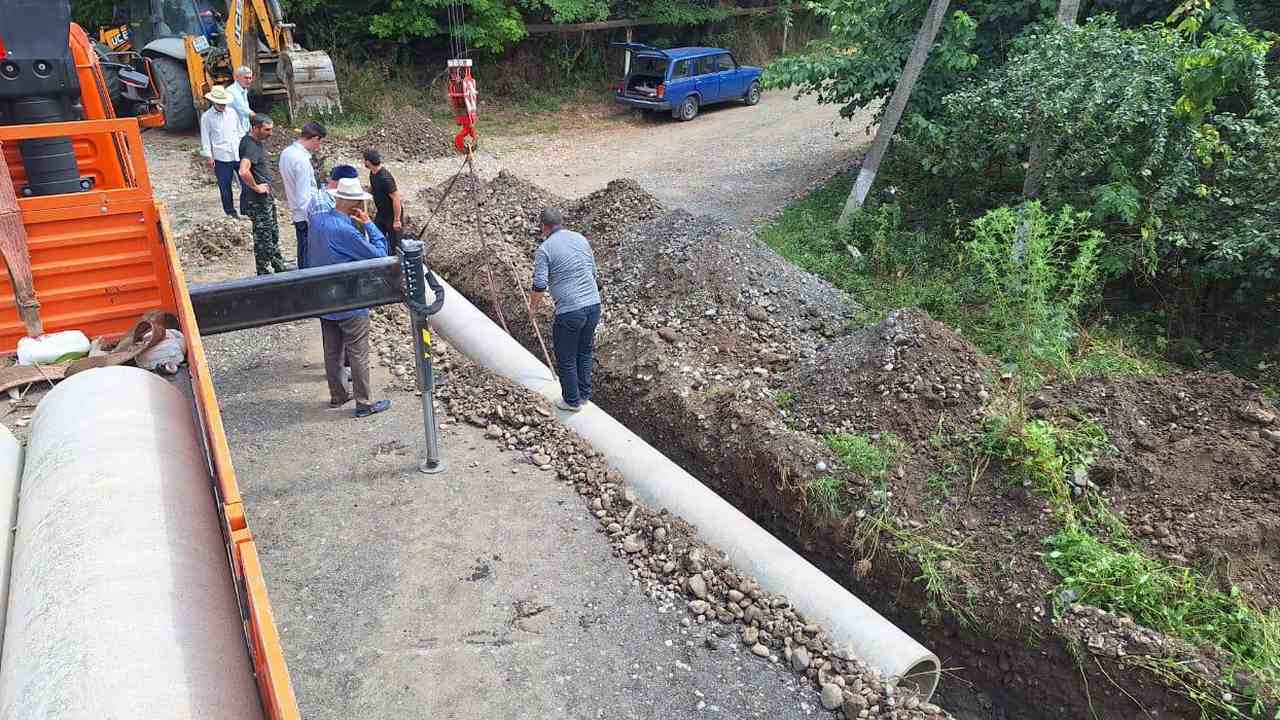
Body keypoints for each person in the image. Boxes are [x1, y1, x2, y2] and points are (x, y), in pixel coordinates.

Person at [307, 177, 392, 418]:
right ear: (355, 203)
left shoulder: (317, 221)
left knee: (332, 350)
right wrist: (369, 226)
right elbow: (379, 257)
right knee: (358, 352)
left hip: (323, 298)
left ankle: (338, 394)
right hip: (349, 300)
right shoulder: (346, 231)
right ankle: (364, 403)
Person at [529, 208, 601, 412]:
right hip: (593, 305)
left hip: (570, 311)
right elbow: (593, 271)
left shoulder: (545, 249)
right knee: (584, 350)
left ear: (543, 226)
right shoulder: (580, 239)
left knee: (566, 355)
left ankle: (571, 401)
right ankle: (584, 395)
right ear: (561, 222)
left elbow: (540, 284)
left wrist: (533, 308)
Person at [238, 113, 287, 275]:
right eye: (267, 130)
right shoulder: (250, 145)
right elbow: (243, 171)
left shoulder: (255, 142)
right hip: (257, 200)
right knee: (264, 238)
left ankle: (279, 266)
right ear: (255, 128)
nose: (270, 133)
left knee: (272, 234)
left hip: (265, 199)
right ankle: (264, 272)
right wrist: (257, 187)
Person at [280, 121, 326, 269]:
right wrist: (313, 219)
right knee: (308, 253)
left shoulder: (287, 152)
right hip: (305, 214)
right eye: (320, 143)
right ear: (315, 138)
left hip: (297, 211)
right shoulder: (301, 159)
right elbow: (304, 195)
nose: (319, 147)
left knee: (303, 250)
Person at [198, 86, 241, 218]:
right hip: (221, 157)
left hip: (237, 153)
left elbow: (239, 132)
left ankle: (247, 208)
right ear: (213, 102)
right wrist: (209, 156)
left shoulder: (233, 113)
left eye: (224, 103)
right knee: (225, 186)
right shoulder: (207, 117)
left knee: (246, 182)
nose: (223, 106)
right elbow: (205, 139)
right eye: (220, 103)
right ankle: (230, 211)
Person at [363, 149, 403, 256]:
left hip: (392, 215)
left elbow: (396, 198)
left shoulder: (385, 178)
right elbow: (373, 186)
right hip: (381, 213)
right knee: (376, 236)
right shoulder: (373, 173)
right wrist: (364, 194)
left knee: (396, 245)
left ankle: (397, 266)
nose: (363, 162)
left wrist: (397, 220)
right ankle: (381, 260)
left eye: (364, 160)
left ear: (368, 162)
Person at [226, 66, 254, 216]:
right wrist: (259, 120)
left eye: (250, 77)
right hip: (234, 138)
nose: (249, 80)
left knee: (246, 173)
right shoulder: (232, 92)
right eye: (246, 78)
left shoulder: (243, 91)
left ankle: (246, 207)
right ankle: (235, 210)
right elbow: (245, 111)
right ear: (237, 77)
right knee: (242, 172)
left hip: (243, 134)